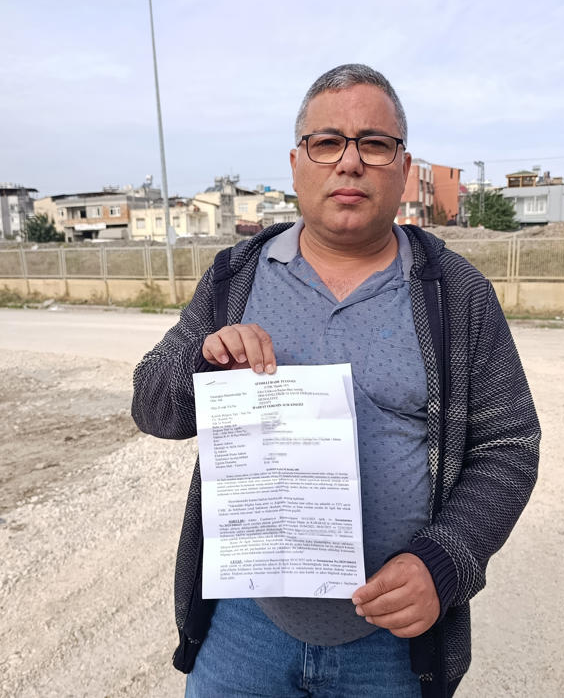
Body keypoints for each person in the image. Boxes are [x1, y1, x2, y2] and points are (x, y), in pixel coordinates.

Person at [132, 63, 540, 698]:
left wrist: (443, 561)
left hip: (389, 644)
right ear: (297, 164)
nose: (350, 162)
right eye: (327, 142)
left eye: (374, 144)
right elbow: (151, 406)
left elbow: (509, 448)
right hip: (245, 627)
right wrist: (204, 370)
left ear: (403, 168)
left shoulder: (458, 295)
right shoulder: (235, 277)